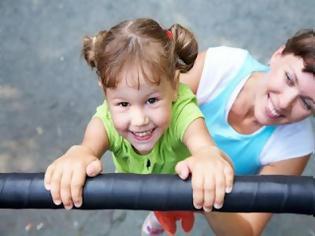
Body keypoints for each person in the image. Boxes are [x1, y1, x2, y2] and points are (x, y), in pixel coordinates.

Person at [44, 18, 234, 235]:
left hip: (183, 187)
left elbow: (204, 147)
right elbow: (86, 149)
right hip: (145, 189)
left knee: (196, 203)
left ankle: (163, 217)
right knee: (161, 211)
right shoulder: (104, 121)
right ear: (105, 94)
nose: (139, 120)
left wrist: (207, 157)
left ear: (173, 85)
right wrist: (76, 157)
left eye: (151, 100)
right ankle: (158, 219)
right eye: (123, 104)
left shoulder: (183, 112)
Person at [176, 28, 315, 235]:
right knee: (161, 207)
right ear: (278, 55)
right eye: (288, 78)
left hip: (212, 194)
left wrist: (210, 192)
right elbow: (147, 103)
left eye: (306, 102)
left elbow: (247, 229)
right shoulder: (221, 66)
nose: (285, 102)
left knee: (171, 204)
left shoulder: (296, 144)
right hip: (162, 162)